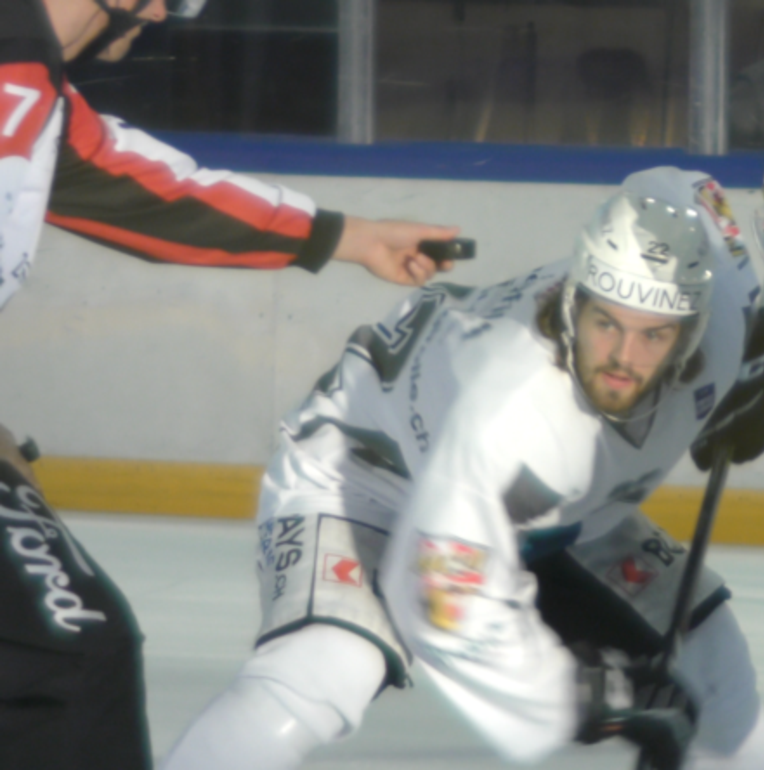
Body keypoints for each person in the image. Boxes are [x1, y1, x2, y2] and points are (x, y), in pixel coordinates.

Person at [163, 166, 764, 770]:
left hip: (556, 507)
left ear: (693, 331)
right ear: (572, 301)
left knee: (715, 670)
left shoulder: (722, 300)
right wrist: (570, 693)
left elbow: (677, 187)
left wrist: (753, 362)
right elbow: (446, 606)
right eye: (604, 322)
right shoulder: (518, 416)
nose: (622, 360)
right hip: (369, 476)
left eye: (654, 337)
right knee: (321, 671)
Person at [0, 1, 459, 768]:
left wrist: (348, 236)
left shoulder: (32, 82)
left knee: (72, 647)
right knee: (72, 655)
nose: (172, 14)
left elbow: (140, 187)